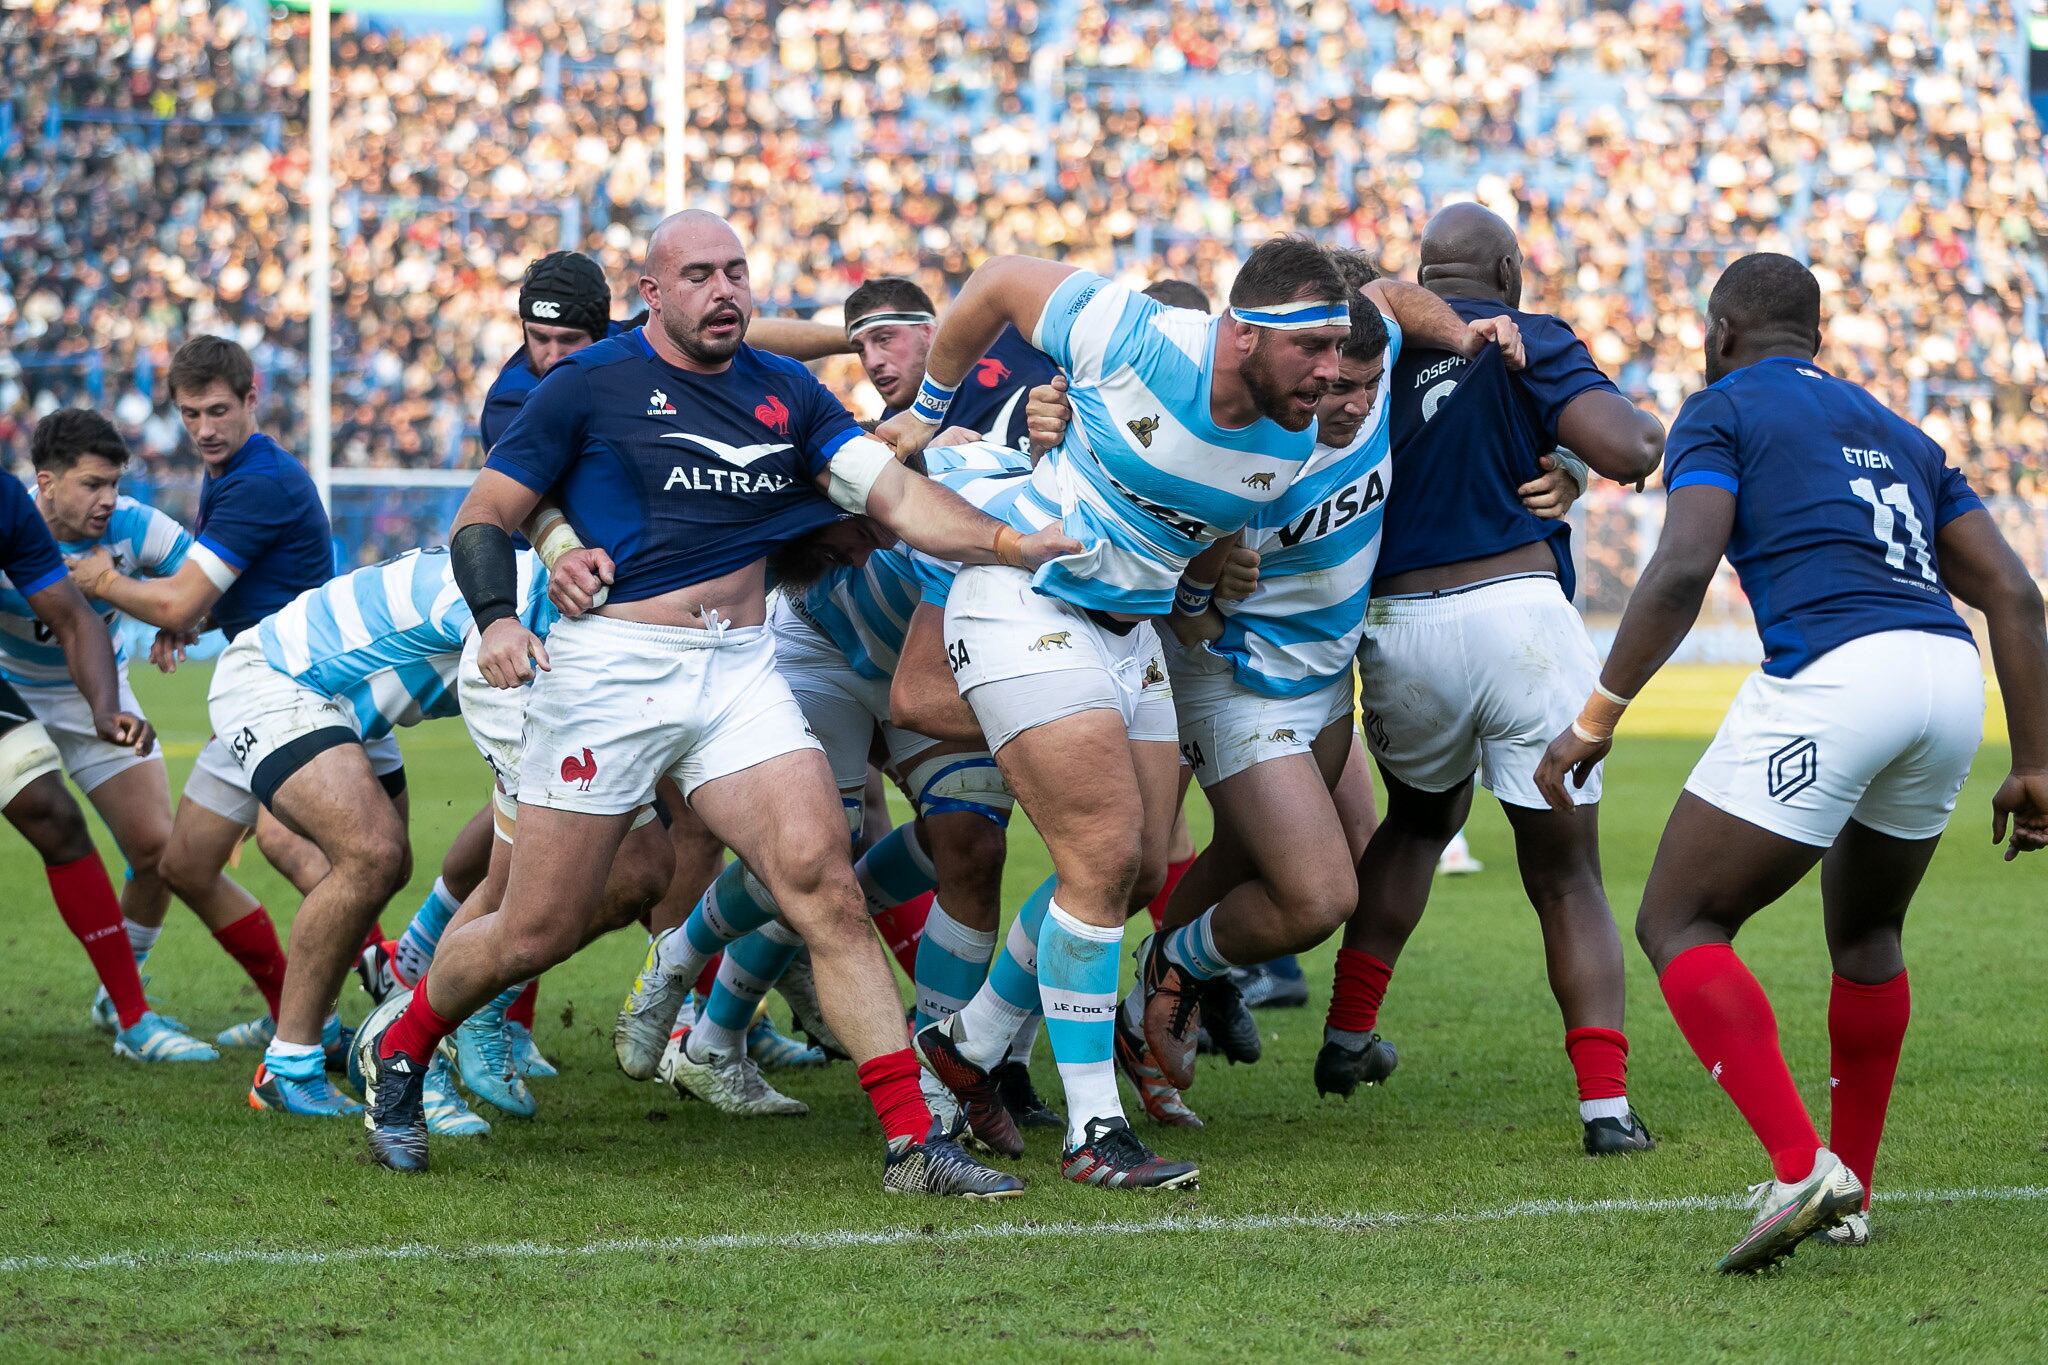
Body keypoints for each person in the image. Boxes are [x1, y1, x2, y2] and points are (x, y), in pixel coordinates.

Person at [356, 210, 1070, 1195]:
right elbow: (485, 517)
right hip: (612, 671)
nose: (723, 289)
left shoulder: (786, 391)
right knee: (537, 928)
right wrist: (498, 620)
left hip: (738, 670)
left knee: (822, 881)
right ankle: (405, 1039)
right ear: (650, 294)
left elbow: (891, 497)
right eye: (698, 274)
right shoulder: (586, 386)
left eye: (736, 269)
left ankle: (913, 1143)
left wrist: (1004, 543)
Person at [878, 238, 1507, 1188]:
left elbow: (1202, 550)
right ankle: (1094, 1132)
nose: (1336, 375)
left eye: (1346, 353)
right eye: (1317, 352)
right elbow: (1001, 280)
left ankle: (969, 1042)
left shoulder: (1292, 437)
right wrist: (927, 412)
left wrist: (1212, 587)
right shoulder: (1138, 336)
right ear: (1246, 333)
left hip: (1129, 634)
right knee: (1099, 853)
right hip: (1030, 598)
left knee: (1131, 868)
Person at [1536, 252, 2048, 1271]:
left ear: (1720, 330)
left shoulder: (1717, 408)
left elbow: (1682, 565)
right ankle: (1849, 1187)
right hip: (1945, 680)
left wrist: (1595, 715)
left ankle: (1796, 1165)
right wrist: (2033, 762)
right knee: (1864, 936)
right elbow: (2015, 596)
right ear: (1811, 334)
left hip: (1837, 674)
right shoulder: (1901, 431)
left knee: (1678, 918)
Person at [1334, 204, 1664, 1156]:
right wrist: (1580, 455)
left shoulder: (1371, 347)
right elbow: (1632, 448)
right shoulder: (1533, 338)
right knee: (1566, 874)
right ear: (1510, 272)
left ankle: (1347, 1035)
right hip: (1515, 610)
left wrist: (1556, 461)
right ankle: (1605, 1107)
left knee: (1417, 823)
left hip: (1398, 625)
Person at [70, 335, 339, 1092]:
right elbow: (225, 593)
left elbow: (185, 590)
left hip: (298, 691)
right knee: (185, 863)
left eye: (218, 410)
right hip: (262, 685)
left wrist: (107, 582)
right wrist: (186, 621)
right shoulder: (228, 473)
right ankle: (306, 1006)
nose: (204, 428)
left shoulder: (258, 481)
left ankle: (385, 1005)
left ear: (253, 398)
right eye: (190, 413)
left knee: (313, 853)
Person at [10, 411, 255, 1034]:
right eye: (92, 484)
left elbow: (205, 589)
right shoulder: (12, 522)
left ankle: (119, 985)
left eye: (114, 484)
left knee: (156, 850)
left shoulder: (135, 527)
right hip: (9, 691)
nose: (108, 499)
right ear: (46, 482)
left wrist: (178, 618)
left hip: (98, 692)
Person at [845, 276, 1058, 451]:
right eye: (859, 349)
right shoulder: (891, 438)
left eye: (884, 339)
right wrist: (931, 464)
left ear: (928, 331)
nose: (871, 362)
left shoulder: (1001, 336)